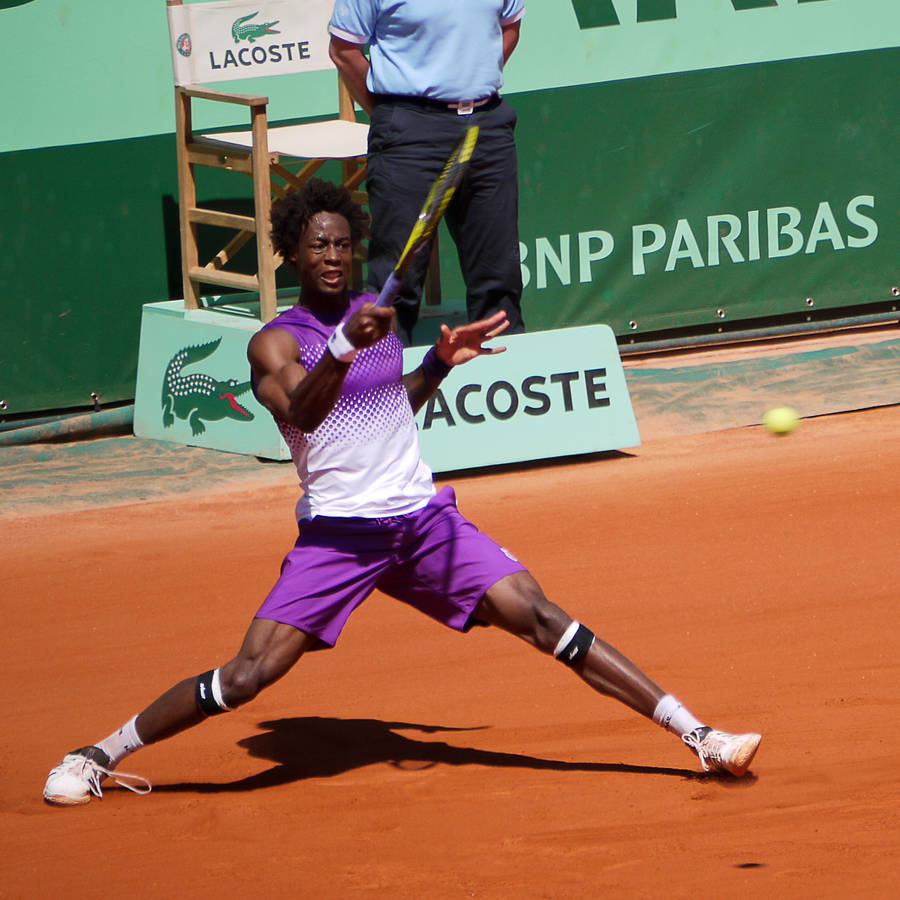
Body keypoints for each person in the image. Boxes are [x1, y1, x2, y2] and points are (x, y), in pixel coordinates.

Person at [42, 180, 760, 806]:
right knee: (249, 675)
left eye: (342, 245)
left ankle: (698, 735)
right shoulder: (275, 343)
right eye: (318, 245)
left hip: (420, 523)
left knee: (540, 615)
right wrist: (346, 346)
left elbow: (388, 405)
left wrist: (440, 365)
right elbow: (305, 413)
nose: (332, 256)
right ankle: (98, 753)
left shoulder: (376, 323)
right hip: (339, 538)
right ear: (294, 252)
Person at [328, 0, 527, 345]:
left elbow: (510, 28)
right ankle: (386, 384)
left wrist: (469, 85)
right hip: (409, 128)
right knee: (396, 280)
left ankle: (506, 376)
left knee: (499, 277)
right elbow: (344, 50)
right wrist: (394, 111)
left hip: (487, 125)